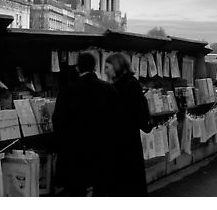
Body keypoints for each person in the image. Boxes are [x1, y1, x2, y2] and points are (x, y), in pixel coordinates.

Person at [52, 52, 118, 196]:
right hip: (102, 152)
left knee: (76, 190)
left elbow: (58, 120)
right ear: (95, 67)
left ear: (77, 68)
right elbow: (116, 121)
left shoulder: (68, 91)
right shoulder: (109, 90)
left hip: (74, 154)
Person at [104, 53, 151, 197]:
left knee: (123, 184)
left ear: (117, 66)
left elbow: (139, 114)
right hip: (129, 142)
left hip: (123, 142)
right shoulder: (130, 84)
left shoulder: (125, 86)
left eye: (107, 67)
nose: (105, 71)